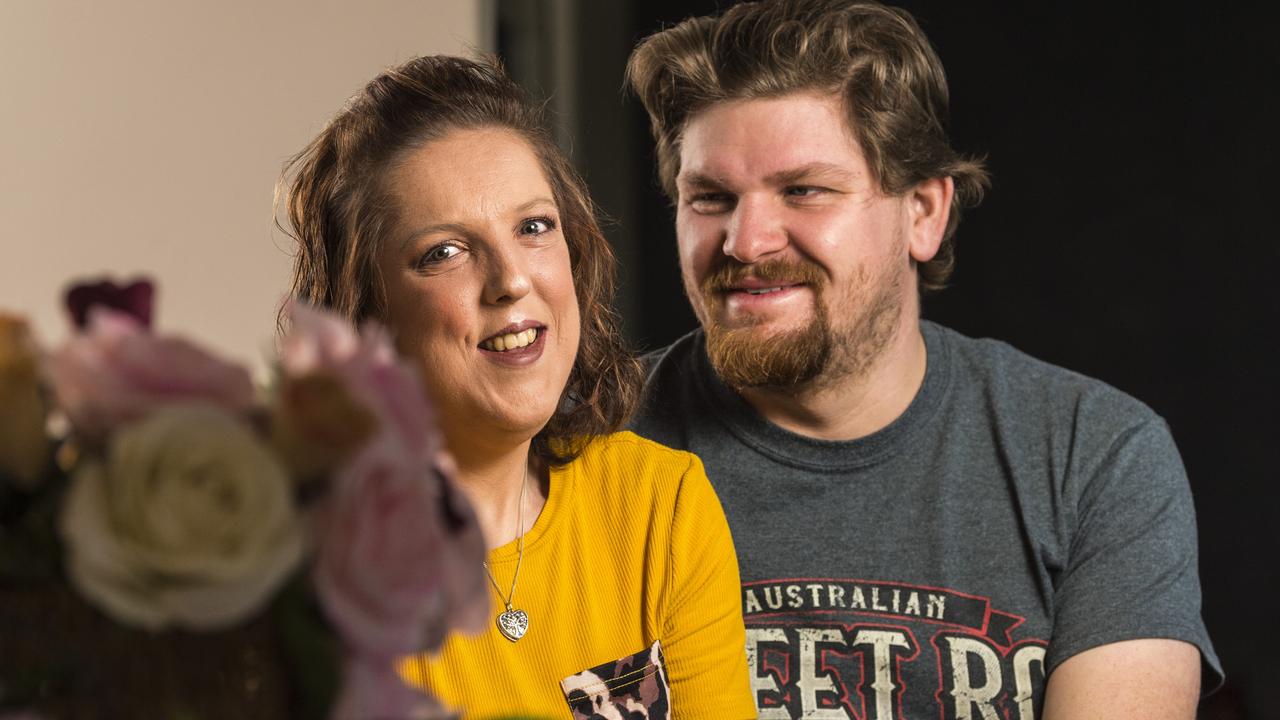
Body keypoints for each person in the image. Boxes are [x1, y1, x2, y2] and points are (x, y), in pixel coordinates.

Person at [625, 1, 1222, 718]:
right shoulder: (584, 444)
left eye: (803, 191)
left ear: (925, 213)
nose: (746, 242)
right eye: (711, 197)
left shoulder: (1092, 456)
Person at [278, 55, 754, 719]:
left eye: (533, 227)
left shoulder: (658, 507)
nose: (510, 279)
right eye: (443, 252)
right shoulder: (304, 579)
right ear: (369, 314)